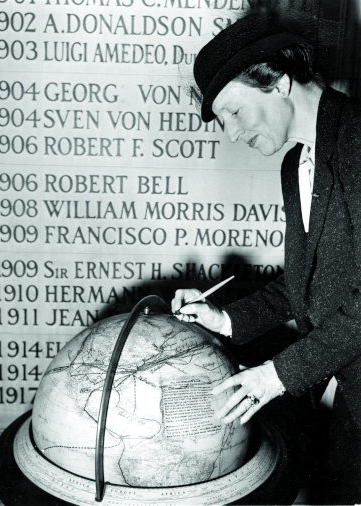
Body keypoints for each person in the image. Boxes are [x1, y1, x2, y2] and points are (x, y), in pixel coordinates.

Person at [171, 9, 361, 505]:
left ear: (275, 80)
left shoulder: (359, 140)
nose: (231, 134)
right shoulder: (295, 163)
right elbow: (303, 285)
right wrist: (224, 318)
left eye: (233, 111)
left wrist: (276, 376)